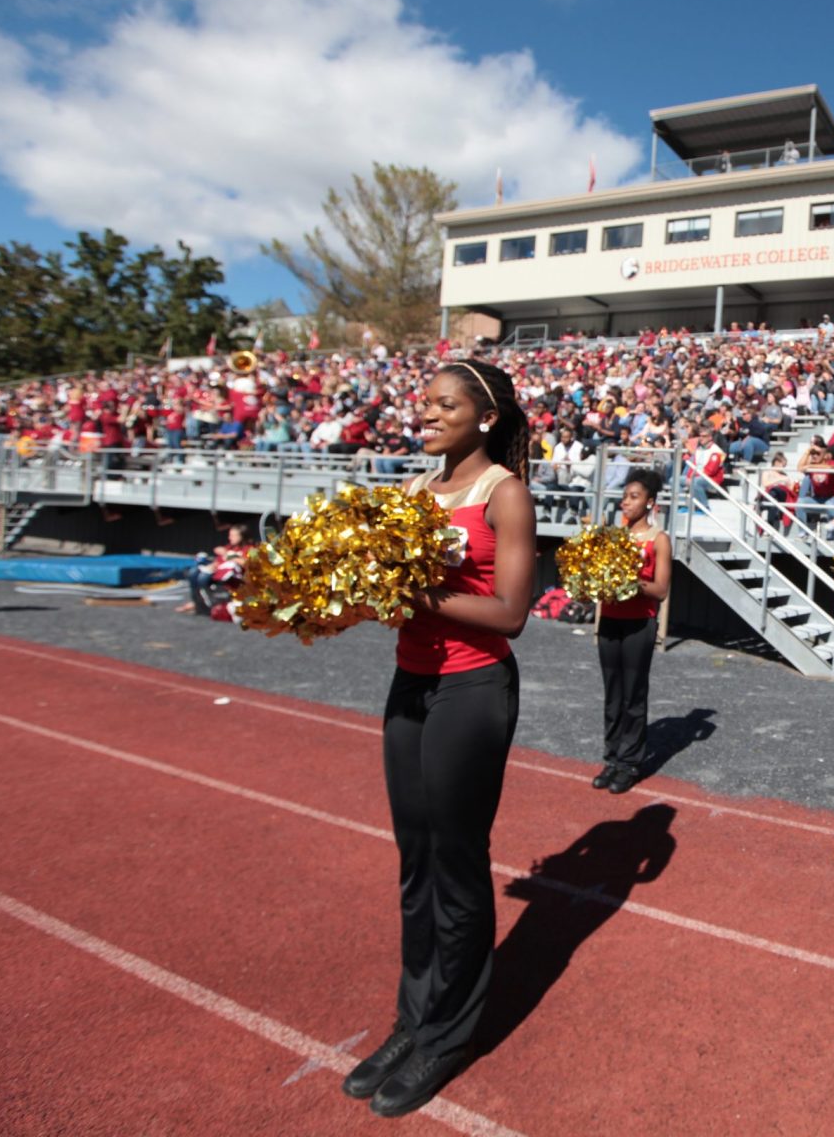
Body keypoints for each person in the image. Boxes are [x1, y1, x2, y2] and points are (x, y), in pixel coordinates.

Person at [341, 358, 535, 1118]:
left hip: (473, 689)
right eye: (422, 404)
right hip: (410, 682)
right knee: (414, 859)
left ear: (484, 418)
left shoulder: (503, 494)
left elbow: (512, 612)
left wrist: (415, 586)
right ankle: (412, 1018)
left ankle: (450, 1033)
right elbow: (400, 602)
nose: (424, 414)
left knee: (456, 863)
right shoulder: (414, 493)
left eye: (442, 405)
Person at [593, 468, 673, 793]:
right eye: (625, 496)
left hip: (640, 622)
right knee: (612, 694)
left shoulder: (659, 540)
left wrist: (630, 580)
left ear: (650, 503)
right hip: (610, 619)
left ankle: (630, 763)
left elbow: (661, 589)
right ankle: (612, 757)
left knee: (633, 695)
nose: (626, 502)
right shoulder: (613, 536)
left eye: (634, 497)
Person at [178, 524, 250, 616]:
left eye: (233, 535)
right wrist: (214, 564)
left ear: (242, 536)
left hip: (234, 578)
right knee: (193, 573)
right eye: (229, 535)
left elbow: (246, 563)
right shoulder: (230, 546)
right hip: (220, 571)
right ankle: (197, 602)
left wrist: (229, 555)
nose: (230, 538)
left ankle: (208, 607)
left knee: (203, 578)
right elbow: (219, 559)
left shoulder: (248, 548)